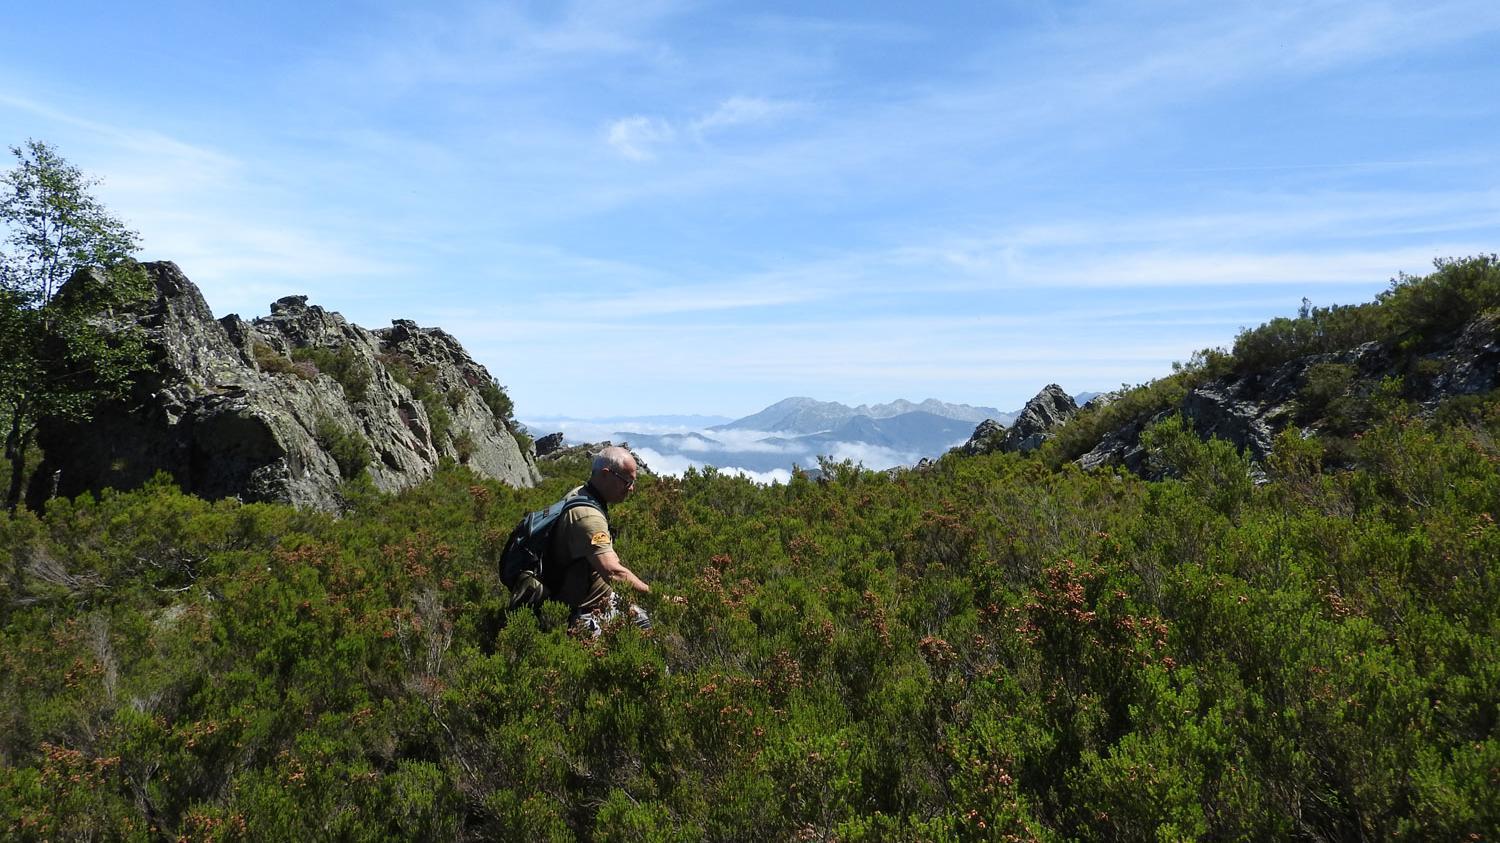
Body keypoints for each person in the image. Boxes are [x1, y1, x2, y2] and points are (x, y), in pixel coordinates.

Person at [547, 445, 652, 636]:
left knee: (644, 623)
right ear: (605, 474)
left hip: (601, 598)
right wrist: (659, 596)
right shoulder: (588, 517)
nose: (631, 489)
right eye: (627, 482)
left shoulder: (582, 493)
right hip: (584, 611)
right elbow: (613, 572)